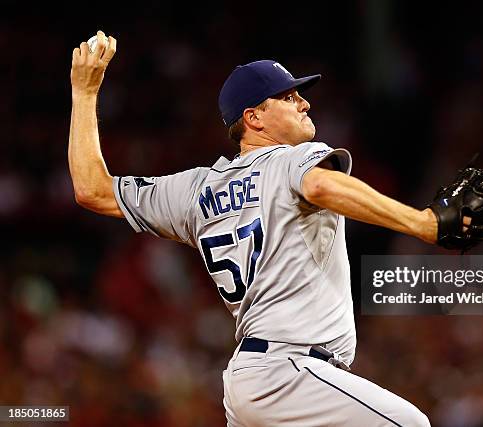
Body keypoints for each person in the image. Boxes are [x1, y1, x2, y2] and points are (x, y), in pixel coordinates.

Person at [70, 31, 460, 427]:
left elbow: (93, 191)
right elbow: (321, 185)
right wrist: (422, 223)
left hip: (250, 381)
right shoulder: (292, 159)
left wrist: (83, 95)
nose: (304, 103)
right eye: (289, 97)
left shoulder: (194, 190)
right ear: (253, 118)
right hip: (290, 370)